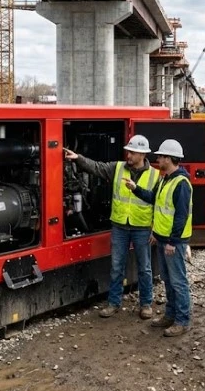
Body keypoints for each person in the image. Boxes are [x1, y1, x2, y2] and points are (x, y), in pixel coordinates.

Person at [63, 135, 160, 320]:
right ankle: (113, 303)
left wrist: (155, 228)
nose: (128, 155)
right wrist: (79, 159)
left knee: (145, 268)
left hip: (142, 227)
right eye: (128, 151)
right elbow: (97, 167)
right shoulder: (117, 168)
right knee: (116, 266)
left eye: (132, 152)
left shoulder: (154, 176)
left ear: (142, 154)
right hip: (120, 226)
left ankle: (146, 304)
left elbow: (158, 203)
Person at [124, 139, 192, 337]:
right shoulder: (165, 179)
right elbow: (155, 201)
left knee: (178, 282)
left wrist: (172, 241)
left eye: (161, 156)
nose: (158, 159)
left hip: (173, 243)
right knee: (168, 280)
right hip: (162, 239)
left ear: (170, 159)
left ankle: (183, 320)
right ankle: (170, 316)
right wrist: (135, 188)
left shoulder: (181, 183)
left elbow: (180, 216)